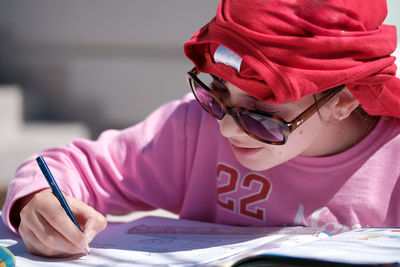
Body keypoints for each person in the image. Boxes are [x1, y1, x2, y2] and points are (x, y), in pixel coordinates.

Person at [3, 0, 400, 258]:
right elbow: (69, 167)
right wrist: (37, 203)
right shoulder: (193, 131)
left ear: (345, 100)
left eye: (260, 113)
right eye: (218, 93)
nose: (228, 128)